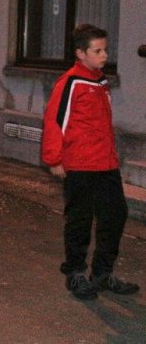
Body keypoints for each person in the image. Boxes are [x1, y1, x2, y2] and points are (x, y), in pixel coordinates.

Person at [42, 24, 139, 301]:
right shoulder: (70, 83)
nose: (104, 55)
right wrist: (54, 159)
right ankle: (75, 273)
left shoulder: (100, 81)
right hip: (80, 165)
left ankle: (102, 274)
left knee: (115, 215)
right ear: (80, 53)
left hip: (105, 164)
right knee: (80, 221)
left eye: (105, 49)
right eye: (97, 51)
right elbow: (55, 121)